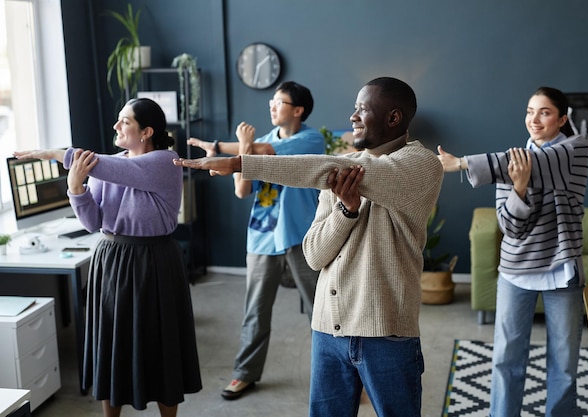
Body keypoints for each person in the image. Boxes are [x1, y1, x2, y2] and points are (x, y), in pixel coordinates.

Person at [173, 77, 444, 416]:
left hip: (386, 332)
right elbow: (315, 255)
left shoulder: (420, 165)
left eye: (362, 109)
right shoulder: (339, 170)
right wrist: (347, 211)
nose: (353, 117)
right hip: (327, 331)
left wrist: (242, 163)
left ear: (393, 118)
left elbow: (347, 169)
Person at [15, 97, 202, 417]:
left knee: (159, 344)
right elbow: (93, 223)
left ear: (146, 132)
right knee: (112, 345)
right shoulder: (104, 166)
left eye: (125, 121)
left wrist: (52, 154)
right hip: (113, 259)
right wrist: (76, 189)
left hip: (154, 260)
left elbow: (120, 169)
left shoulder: (165, 162)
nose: (116, 126)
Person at [437, 86, 588, 416]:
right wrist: (518, 187)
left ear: (562, 119)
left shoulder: (575, 150)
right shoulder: (512, 164)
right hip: (516, 270)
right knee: (507, 357)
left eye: (545, 112)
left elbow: (539, 163)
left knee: (564, 362)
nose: (534, 119)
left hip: (561, 273)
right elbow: (510, 227)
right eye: (529, 111)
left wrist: (462, 163)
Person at [188, 81, 324, 400]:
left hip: (301, 237)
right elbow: (241, 189)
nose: (272, 106)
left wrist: (227, 146)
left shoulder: (310, 138)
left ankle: (342, 373)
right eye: (272, 101)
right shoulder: (258, 141)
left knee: (320, 311)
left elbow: (263, 153)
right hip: (262, 239)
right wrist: (232, 148)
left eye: (279, 101)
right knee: (256, 311)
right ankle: (244, 373)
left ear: (298, 110)